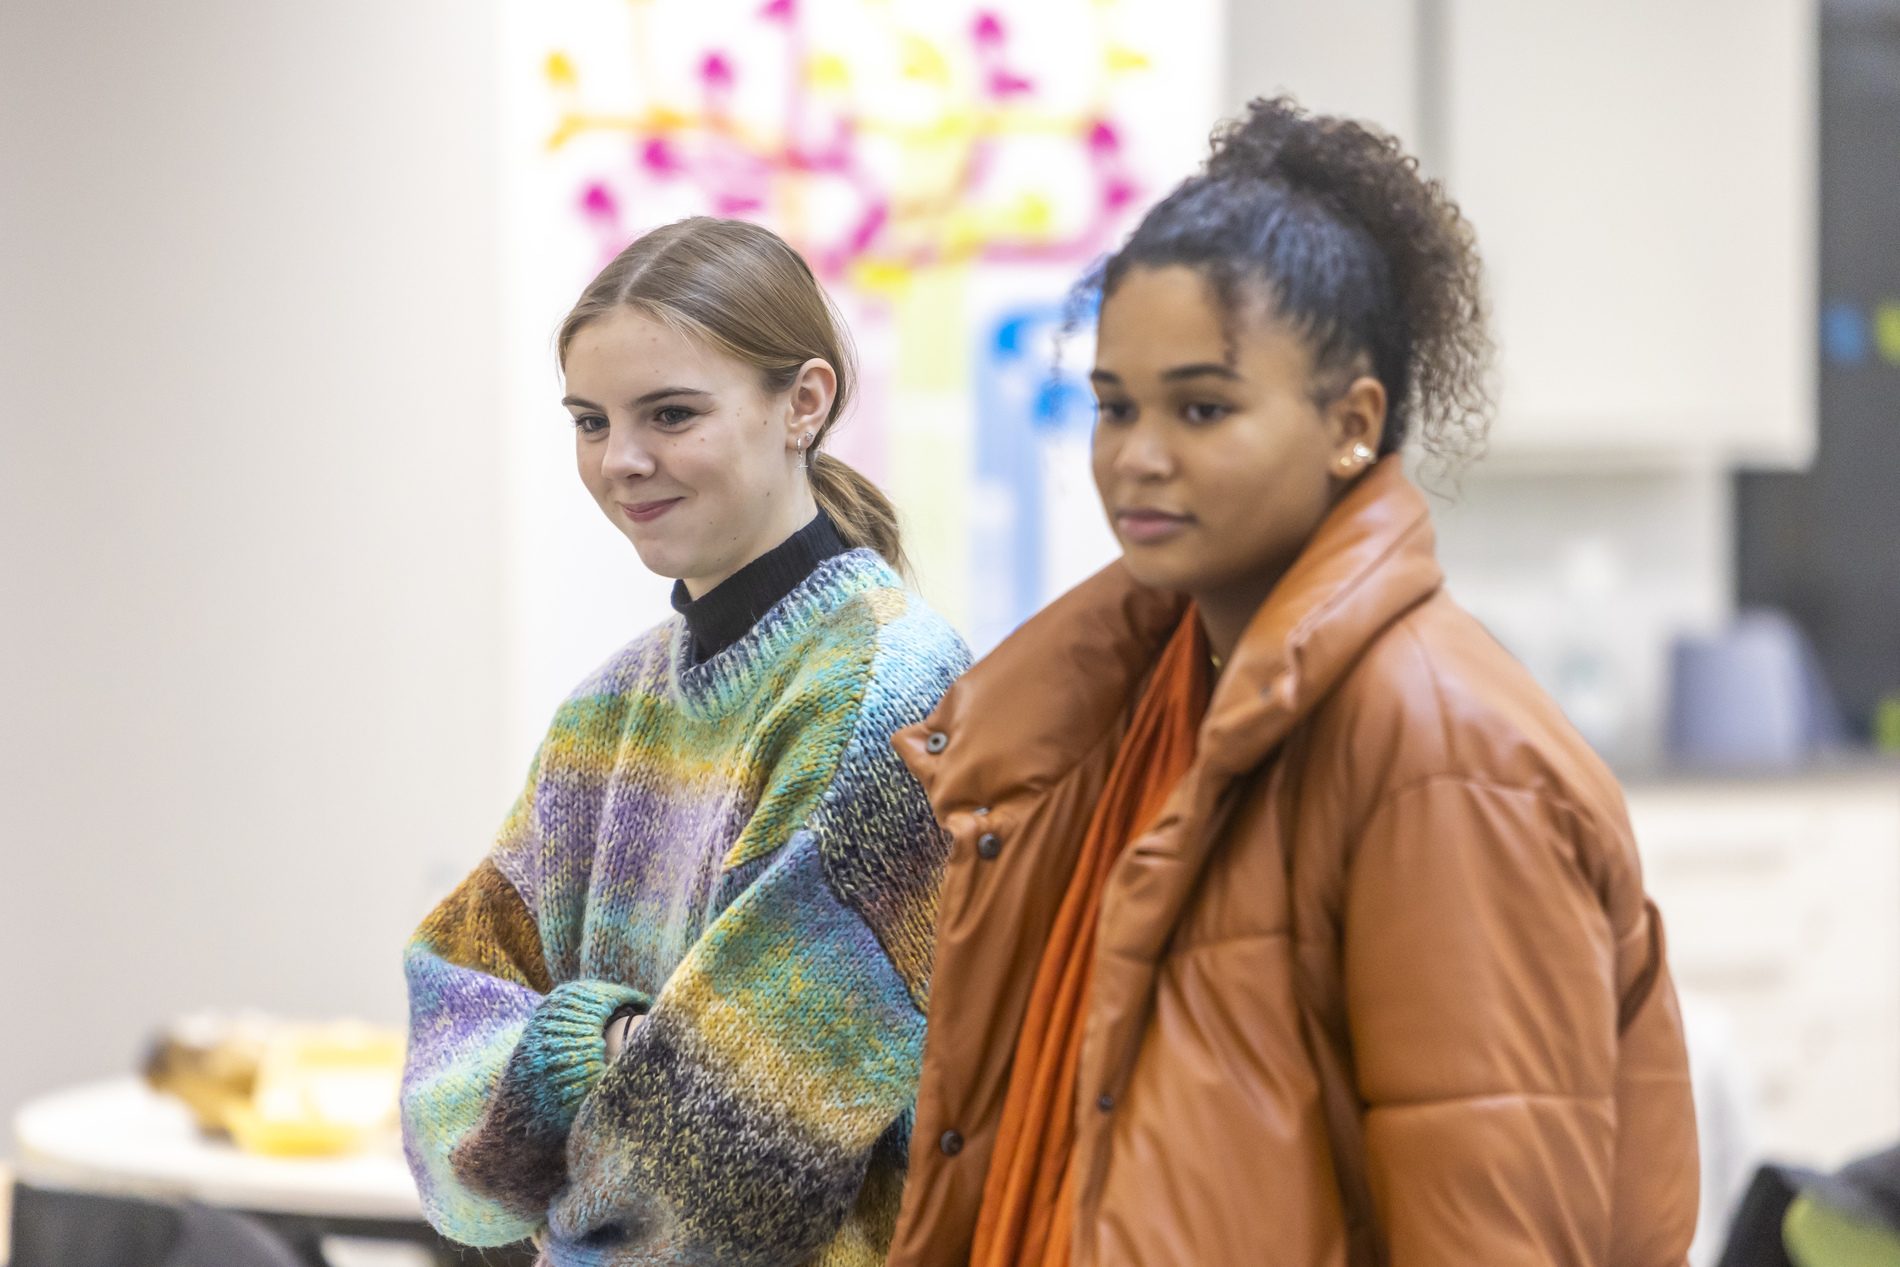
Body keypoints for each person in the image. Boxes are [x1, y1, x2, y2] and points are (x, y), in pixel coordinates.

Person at [884, 98, 1700, 1267]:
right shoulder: (1118, 706)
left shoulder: (1440, 751)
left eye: (1203, 407)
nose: (1138, 454)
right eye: (1115, 406)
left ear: (1349, 424)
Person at [399, 216, 970, 1265]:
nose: (621, 460)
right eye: (589, 420)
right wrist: (597, 1049)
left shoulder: (889, 693)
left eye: (670, 413)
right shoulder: (604, 712)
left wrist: (584, 1077)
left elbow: (730, 1162)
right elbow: (443, 1108)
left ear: (804, 402)